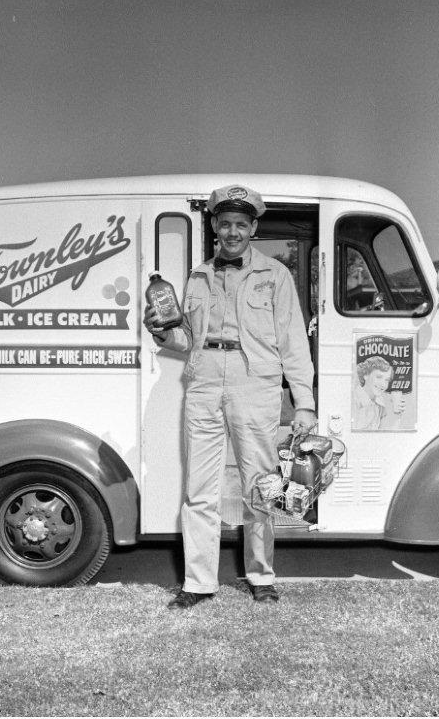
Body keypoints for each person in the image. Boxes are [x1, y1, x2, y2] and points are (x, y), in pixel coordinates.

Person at [144, 184, 316, 610]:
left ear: (253, 227)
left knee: (260, 484)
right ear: (215, 227)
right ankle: (199, 582)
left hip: (254, 382)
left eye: (241, 224)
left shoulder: (274, 275)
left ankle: (261, 575)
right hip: (204, 382)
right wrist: (162, 329)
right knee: (199, 488)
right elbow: (188, 338)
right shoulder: (198, 274)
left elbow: (294, 342)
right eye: (225, 224)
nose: (233, 231)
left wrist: (305, 402)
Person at [352, 355, 405, 431]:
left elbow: (380, 436)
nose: (383, 384)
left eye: (386, 380)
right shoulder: (353, 400)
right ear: (365, 375)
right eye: (379, 377)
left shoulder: (379, 403)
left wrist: (397, 415)